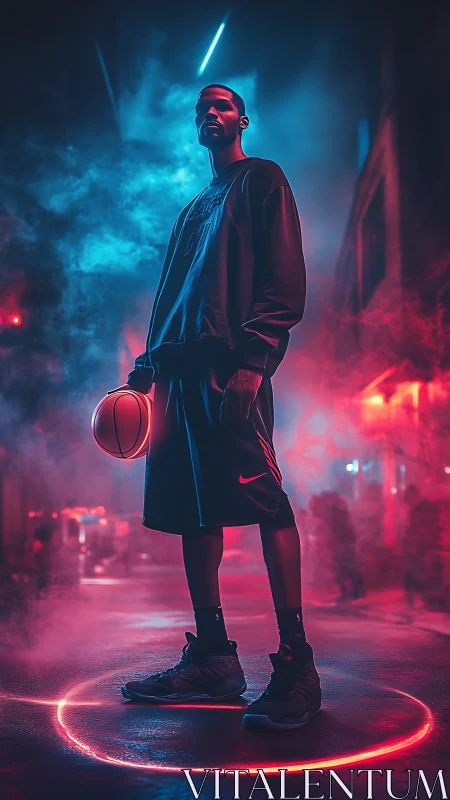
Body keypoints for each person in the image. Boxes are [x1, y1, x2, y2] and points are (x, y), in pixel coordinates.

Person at [109, 84, 320, 730]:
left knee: (266, 500)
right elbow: (172, 298)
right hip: (178, 378)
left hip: (231, 369)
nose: (211, 113)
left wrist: (255, 361)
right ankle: (214, 657)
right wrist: (146, 370)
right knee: (193, 512)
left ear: (242, 119)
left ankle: (296, 663)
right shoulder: (191, 210)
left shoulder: (262, 180)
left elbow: (284, 277)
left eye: (222, 105)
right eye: (202, 108)